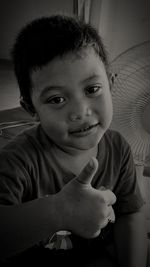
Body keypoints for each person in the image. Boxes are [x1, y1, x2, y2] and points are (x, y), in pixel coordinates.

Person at [0, 14, 148, 266]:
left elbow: (130, 212)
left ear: (111, 84)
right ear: (30, 108)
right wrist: (60, 211)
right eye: (56, 99)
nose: (81, 112)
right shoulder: (17, 161)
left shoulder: (119, 149)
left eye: (92, 89)